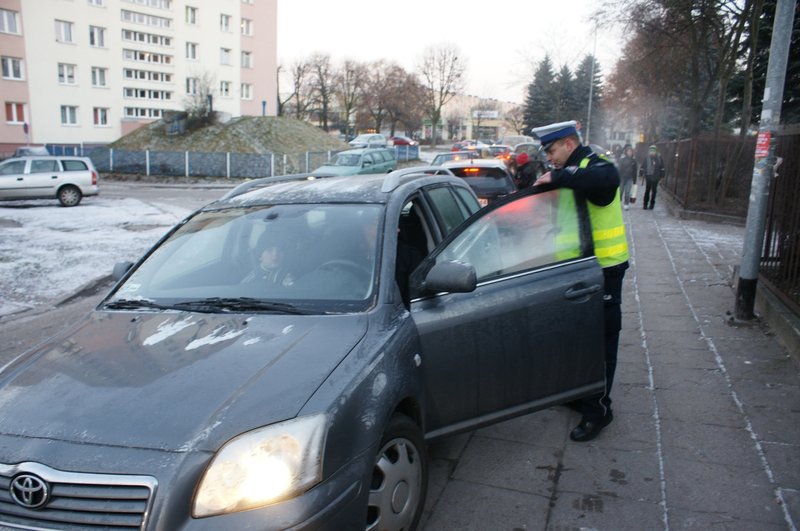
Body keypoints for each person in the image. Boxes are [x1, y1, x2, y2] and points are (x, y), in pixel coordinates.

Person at [532, 120, 629, 442]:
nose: (550, 158)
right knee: (575, 339)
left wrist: (560, 176)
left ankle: (599, 409)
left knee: (600, 344)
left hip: (603, 271)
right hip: (574, 271)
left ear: (569, 144)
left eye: (552, 150)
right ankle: (581, 393)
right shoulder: (571, 174)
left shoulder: (595, 166)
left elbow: (608, 179)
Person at [643, 145, 665, 210]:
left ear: (655, 152)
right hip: (648, 176)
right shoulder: (647, 158)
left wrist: (662, 176)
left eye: (653, 151)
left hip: (656, 176)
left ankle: (652, 204)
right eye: (651, 151)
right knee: (647, 190)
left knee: (654, 191)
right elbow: (643, 166)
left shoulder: (659, 158)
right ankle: (645, 204)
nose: (652, 153)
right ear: (649, 152)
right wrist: (641, 174)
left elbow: (662, 167)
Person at [617, 144, 638, 210]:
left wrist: (635, 180)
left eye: (631, 151)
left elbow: (635, 171)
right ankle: (619, 203)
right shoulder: (622, 160)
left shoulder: (634, 161)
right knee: (621, 191)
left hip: (629, 178)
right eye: (628, 151)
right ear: (626, 152)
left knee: (627, 192)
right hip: (622, 178)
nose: (629, 152)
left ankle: (626, 204)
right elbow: (619, 169)